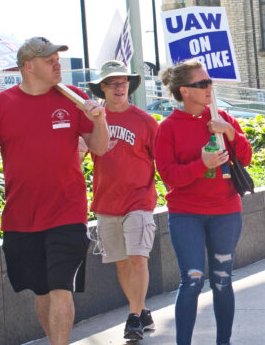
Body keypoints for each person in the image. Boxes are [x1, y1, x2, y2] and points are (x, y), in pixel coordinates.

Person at [0, 37, 109, 345]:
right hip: (22, 217)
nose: (57, 64)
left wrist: (100, 120)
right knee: (42, 289)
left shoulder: (74, 98)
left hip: (67, 213)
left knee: (61, 286)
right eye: (50, 61)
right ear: (28, 66)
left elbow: (98, 147)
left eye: (58, 58)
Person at [154, 59, 252, 345]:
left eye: (210, 82)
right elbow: (169, 175)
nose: (210, 87)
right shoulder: (169, 127)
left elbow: (244, 159)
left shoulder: (222, 118)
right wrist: (202, 164)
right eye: (202, 84)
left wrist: (230, 132)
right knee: (193, 280)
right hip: (186, 214)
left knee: (222, 279)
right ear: (184, 91)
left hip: (226, 211)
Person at [84, 60, 158, 340]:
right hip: (107, 202)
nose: (119, 87)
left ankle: (133, 317)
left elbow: (162, 158)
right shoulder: (93, 119)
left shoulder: (145, 121)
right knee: (122, 262)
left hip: (139, 199)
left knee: (138, 257)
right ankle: (141, 310)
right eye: (112, 83)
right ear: (102, 88)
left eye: (123, 82)